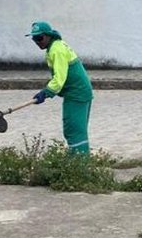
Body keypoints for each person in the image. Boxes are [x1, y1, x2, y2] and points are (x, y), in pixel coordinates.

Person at [27, 21, 94, 155]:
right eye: (34, 38)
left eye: (39, 38)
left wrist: (46, 93)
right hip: (79, 92)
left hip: (77, 93)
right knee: (78, 129)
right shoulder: (55, 46)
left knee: (73, 129)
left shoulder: (56, 50)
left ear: (48, 36)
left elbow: (59, 79)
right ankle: (80, 161)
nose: (37, 41)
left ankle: (79, 165)